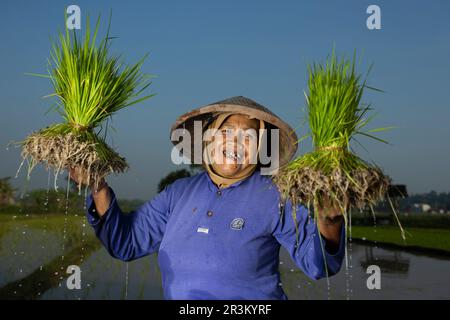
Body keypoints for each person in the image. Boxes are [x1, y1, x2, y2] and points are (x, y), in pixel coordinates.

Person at [70, 96, 346, 300]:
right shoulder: (178, 193)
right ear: (209, 140)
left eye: (248, 137)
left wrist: (329, 218)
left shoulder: (277, 195)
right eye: (226, 132)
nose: (235, 143)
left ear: (261, 148)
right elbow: (125, 244)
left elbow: (318, 264)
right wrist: (98, 187)